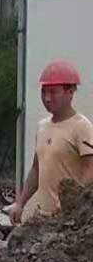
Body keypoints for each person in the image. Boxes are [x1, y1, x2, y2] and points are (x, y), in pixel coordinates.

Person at [9, 60, 93, 222]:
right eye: (44, 92)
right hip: (45, 219)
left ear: (70, 92)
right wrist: (20, 204)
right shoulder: (42, 127)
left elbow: (91, 167)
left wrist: (75, 205)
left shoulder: (82, 127)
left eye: (53, 92)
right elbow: (36, 170)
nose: (47, 98)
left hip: (69, 221)